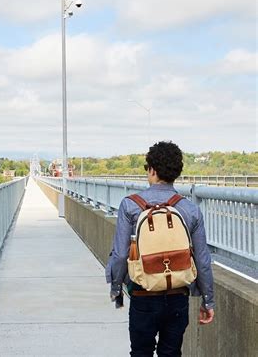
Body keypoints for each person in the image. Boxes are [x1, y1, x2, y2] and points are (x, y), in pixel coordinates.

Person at [106, 141, 215, 356]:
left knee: (140, 352)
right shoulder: (190, 209)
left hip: (142, 294)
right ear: (176, 172)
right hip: (178, 296)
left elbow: (119, 255)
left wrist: (116, 288)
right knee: (171, 352)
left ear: (152, 170)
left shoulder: (130, 205)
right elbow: (202, 259)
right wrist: (208, 300)